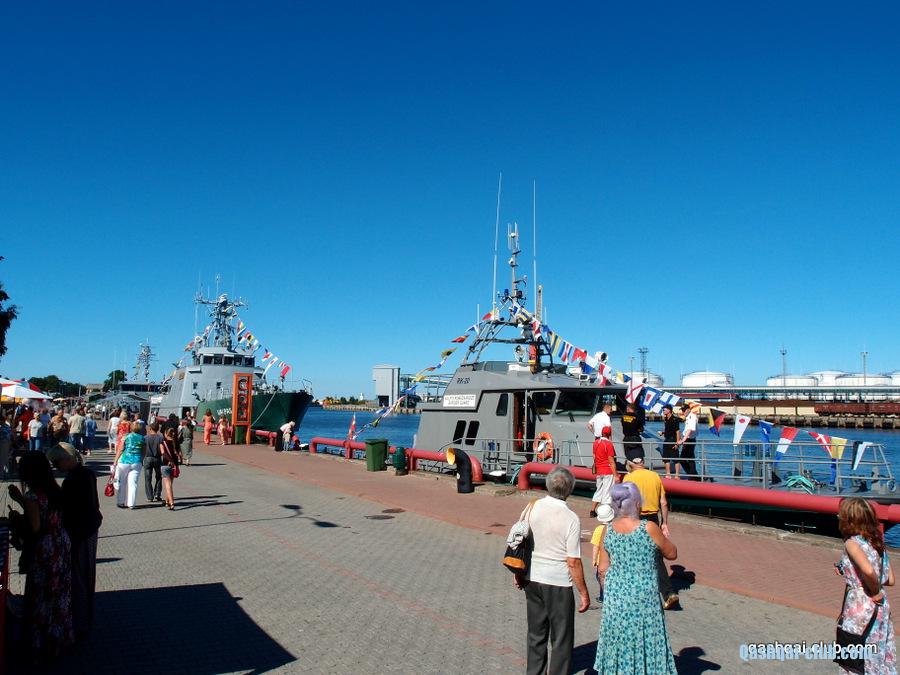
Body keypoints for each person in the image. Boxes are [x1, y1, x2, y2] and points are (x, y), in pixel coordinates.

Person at [594, 481, 678, 673]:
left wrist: (609, 592)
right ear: (637, 504)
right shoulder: (648, 528)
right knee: (645, 637)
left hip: (616, 597)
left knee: (618, 638)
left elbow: (602, 569)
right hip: (644, 597)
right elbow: (672, 553)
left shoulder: (608, 530)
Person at [514, 466, 590, 675]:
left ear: (548, 485)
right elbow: (573, 561)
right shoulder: (571, 518)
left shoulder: (532, 507)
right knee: (561, 638)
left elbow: (520, 543)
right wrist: (583, 592)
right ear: (570, 489)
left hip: (532, 578)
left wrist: (519, 573)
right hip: (558, 583)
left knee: (536, 633)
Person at [7, 452, 74, 665]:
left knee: (41, 595)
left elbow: (35, 526)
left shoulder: (33, 496)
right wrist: (20, 500)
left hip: (45, 548)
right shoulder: (54, 489)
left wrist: (16, 520)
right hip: (60, 541)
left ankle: (41, 645)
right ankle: (60, 639)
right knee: (59, 593)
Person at [47, 443, 103, 639]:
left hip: (80, 532)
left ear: (67, 459)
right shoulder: (86, 474)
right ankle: (84, 618)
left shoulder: (74, 479)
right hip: (89, 528)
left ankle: (80, 621)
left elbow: (72, 508)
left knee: (79, 577)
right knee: (85, 575)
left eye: (57, 462)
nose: (55, 466)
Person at [835, 498, 896, 674]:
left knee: (854, 653)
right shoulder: (877, 543)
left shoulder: (851, 543)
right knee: (878, 652)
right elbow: (890, 579)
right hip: (880, 608)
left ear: (849, 520)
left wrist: (874, 591)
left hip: (861, 604)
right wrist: (847, 569)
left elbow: (868, 571)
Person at [623, 455, 679, 609]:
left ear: (630, 464)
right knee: (656, 555)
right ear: (643, 462)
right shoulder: (655, 476)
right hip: (653, 518)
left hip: (636, 518)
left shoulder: (628, 478)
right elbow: (663, 502)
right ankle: (668, 593)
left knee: (634, 554)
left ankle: (637, 593)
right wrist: (664, 523)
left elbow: (625, 502)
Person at [113, 421, 145, 509]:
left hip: (124, 460)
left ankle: (121, 502)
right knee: (133, 483)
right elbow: (144, 451)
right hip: (136, 461)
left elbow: (120, 449)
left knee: (122, 482)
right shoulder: (142, 438)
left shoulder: (126, 437)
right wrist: (141, 460)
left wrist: (115, 461)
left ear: (131, 428)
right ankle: (131, 503)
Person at [590, 425, 617, 519]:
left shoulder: (595, 443)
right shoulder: (609, 444)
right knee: (607, 493)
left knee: (599, 491)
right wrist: (616, 475)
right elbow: (611, 461)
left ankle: (592, 510)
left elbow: (594, 456)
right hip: (608, 470)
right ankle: (605, 513)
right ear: (609, 434)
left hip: (599, 470)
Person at [590, 504, 615, 602]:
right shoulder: (615, 527)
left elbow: (596, 546)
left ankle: (603, 596)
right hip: (613, 558)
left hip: (601, 560)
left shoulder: (598, 529)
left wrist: (594, 559)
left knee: (600, 577)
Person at [160, 426, 182, 510]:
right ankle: (167, 501)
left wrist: (170, 461)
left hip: (166, 465)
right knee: (170, 484)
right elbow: (180, 454)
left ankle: (172, 503)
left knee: (167, 485)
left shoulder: (163, 443)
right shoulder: (176, 443)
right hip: (174, 466)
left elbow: (163, 453)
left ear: (166, 434)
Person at [658, 405, 681, 478]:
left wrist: (677, 443)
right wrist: (663, 433)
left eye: (664, 410)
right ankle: (668, 474)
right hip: (666, 440)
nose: (663, 411)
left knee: (675, 458)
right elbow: (669, 430)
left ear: (669, 410)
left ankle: (677, 475)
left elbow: (677, 431)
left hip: (673, 440)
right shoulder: (666, 419)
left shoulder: (675, 419)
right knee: (666, 458)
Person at [677, 403, 699, 480]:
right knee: (690, 459)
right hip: (688, 439)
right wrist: (683, 438)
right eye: (682, 410)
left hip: (689, 440)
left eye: (684, 410)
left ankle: (693, 476)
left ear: (688, 410)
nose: (683, 412)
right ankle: (694, 476)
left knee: (683, 459)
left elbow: (690, 429)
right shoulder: (689, 417)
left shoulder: (691, 416)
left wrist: (683, 440)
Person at [143, 422, 164, 502]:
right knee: (159, 477)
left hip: (147, 458)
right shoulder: (160, 438)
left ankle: (150, 496)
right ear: (157, 429)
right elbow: (162, 448)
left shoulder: (145, 438)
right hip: (157, 458)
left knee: (148, 478)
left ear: (150, 429)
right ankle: (157, 494)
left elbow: (143, 449)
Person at [0, 412, 11, 477]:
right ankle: (6, 473)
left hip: (3, 443)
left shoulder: (3, 427)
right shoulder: (7, 426)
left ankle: (2, 474)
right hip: (7, 443)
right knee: (5, 458)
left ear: (2, 421)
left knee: (2, 458)